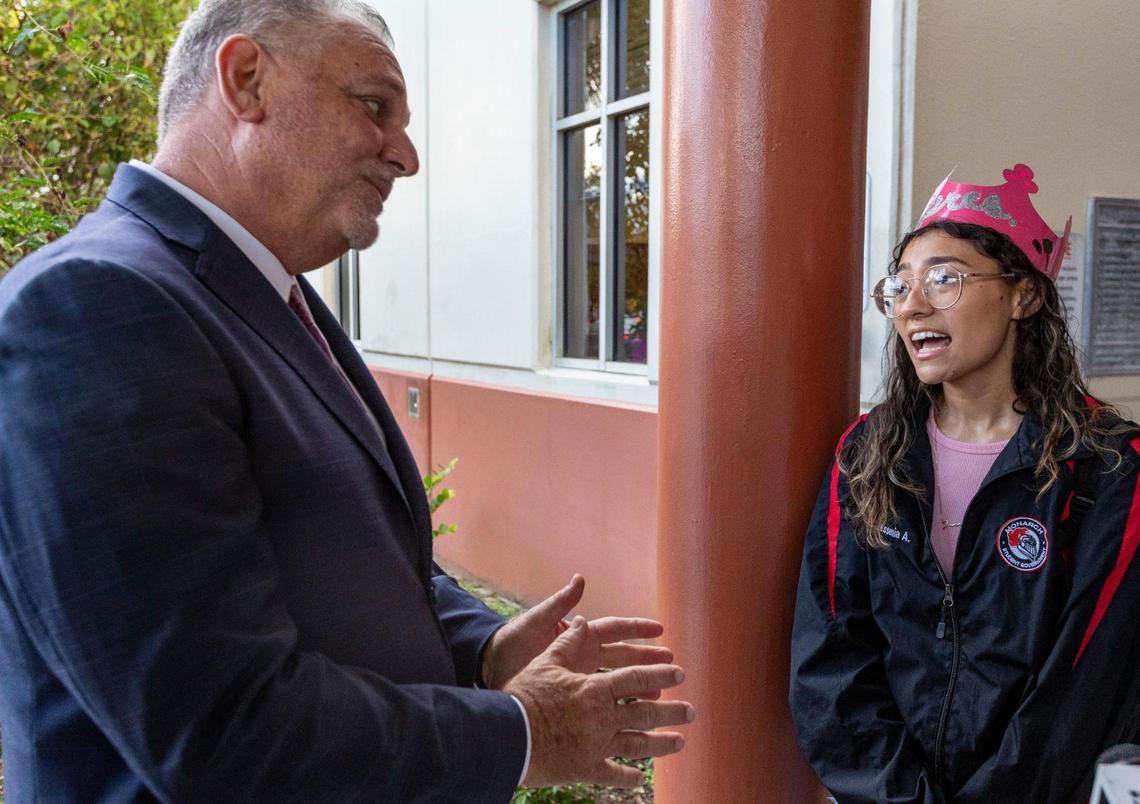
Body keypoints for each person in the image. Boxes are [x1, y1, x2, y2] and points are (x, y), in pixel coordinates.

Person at [0, 1, 693, 800]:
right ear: (246, 80)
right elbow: (224, 732)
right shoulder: (97, 307)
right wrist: (527, 731)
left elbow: (341, 550)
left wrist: (486, 647)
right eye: (374, 106)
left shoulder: (257, 293)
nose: (406, 156)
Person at [790, 164, 1140, 803]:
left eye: (945, 278)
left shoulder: (1107, 464)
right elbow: (832, 657)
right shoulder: (868, 452)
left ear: (1023, 296)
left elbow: (1090, 681)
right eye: (899, 286)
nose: (913, 304)